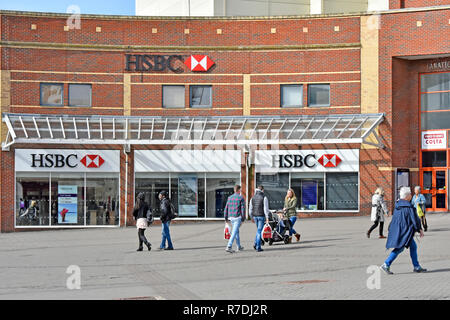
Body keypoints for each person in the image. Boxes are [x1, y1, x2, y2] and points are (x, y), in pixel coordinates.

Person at [380, 186, 427, 274]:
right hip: (405, 232)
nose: (411, 195)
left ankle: (416, 266)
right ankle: (386, 264)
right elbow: (414, 219)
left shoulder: (398, 205)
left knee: (413, 246)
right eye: (410, 194)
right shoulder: (408, 207)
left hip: (399, 230)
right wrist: (419, 229)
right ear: (407, 196)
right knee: (399, 248)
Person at [224, 185, 246, 253]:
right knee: (234, 232)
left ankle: (239, 246)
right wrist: (243, 219)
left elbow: (226, 208)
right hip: (237, 217)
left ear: (234, 190)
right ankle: (229, 246)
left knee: (236, 232)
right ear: (239, 190)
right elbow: (243, 209)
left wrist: (226, 218)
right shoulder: (241, 198)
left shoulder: (229, 198)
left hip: (231, 217)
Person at [249, 185, 270, 252]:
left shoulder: (252, 198)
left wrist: (251, 217)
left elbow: (250, 209)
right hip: (261, 216)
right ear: (262, 190)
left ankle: (255, 244)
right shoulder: (264, 197)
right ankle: (258, 247)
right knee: (259, 231)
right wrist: (267, 217)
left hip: (255, 216)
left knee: (258, 230)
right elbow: (265, 209)